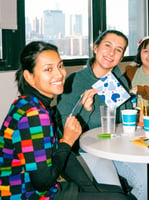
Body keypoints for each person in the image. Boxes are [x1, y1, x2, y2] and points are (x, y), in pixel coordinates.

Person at [0, 41, 129, 199]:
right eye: (48, 69)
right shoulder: (34, 115)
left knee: (116, 193)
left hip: (47, 189)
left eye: (60, 66)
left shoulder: (33, 104)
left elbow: (63, 157)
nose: (59, 74)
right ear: (29, 77)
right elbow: (43, 182)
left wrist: (91, 189)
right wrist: (67, 141)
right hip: (27, 195)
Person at [56, 30, 143, 199]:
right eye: (107, 45)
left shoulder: (120, 81)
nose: (111, 53)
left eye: (118, 50)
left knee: (146, 179)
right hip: (86, 151)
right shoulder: (74, 81)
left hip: (116, 147)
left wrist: (134, 116)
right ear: (95, 48)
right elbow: (63, 126)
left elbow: (123, 121)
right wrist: (85, 109)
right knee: (114, 193)